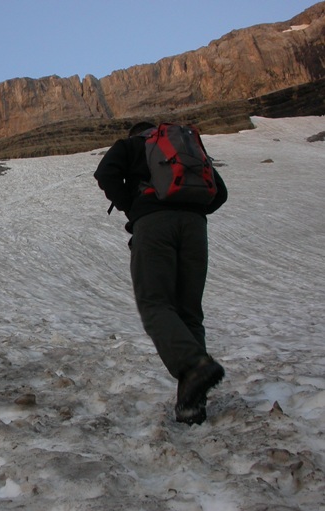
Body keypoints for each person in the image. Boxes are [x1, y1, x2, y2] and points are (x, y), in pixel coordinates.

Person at [94, 121, 228, 425]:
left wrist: (136, 207)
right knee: (189, 314)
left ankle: (195, 365)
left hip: (154, 225)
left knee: (155, 303)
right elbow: (219, 193)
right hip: (195, 229)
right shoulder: (185, 147)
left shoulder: (129, 146)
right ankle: (192, 405)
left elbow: (105, 174)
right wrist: (189, 211)